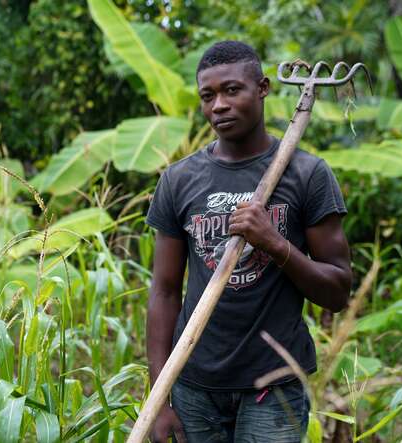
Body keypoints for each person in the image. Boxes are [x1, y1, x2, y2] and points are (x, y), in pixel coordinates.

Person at [145, 40, 352, 443]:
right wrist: (159, 397)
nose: (218, 105)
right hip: (194, 386)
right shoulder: (179, 180)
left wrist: (274, 243)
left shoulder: (308, 174)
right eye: (208, 96)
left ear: (263, 88)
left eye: (231, 90)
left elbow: (338, 292)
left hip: (274, 387)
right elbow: (165, 292)